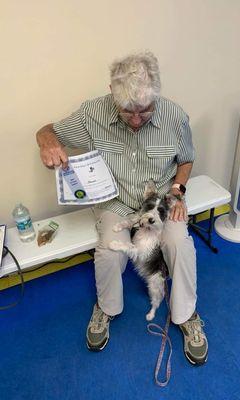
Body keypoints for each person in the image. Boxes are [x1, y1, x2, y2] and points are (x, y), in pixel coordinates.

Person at [36, 51, 208, 365]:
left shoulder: (175, 116)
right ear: (113, 96)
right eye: (128, 111)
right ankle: (106, 308)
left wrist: (178, 191)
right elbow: (48, 130)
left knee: (178, 243)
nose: (137, 119)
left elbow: (186, 159)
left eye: (145, 110)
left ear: (156, 94)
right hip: (115, 200)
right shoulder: (92, 113)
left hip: (160, 201)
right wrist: (47, 141)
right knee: (109, 251)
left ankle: (187, 314)